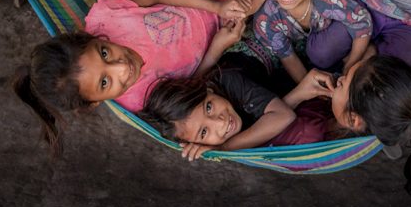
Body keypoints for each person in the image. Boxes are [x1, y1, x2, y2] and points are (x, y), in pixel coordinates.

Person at [12, 0, 268, 155]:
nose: (122, 66)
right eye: (105, 82)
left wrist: (216, 6)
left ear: (88, 37)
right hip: (223, 30)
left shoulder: (108, 17)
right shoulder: (138, 101)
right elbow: (190, 84)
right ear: (94, 104)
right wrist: (219, 44)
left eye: (104, 53)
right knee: (265, 6)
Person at [138, 65, 335, 161]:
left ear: (208, 90)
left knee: (307, 132)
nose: (221, 122)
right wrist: (298, 94)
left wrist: (224, 148)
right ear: (195, 143)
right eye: (204, 132)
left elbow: (284, 116)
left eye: (209, 107)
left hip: (285, 74)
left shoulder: (227, 79)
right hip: (281, 103)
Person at [330, 54, 411, 207]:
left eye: (343, 81)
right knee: (383, 123)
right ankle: (387, 140)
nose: (339, 79)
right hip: (380, 120)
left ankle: (385, 141)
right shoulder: (392, 113)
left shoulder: (316, 134)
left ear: (353, 120)